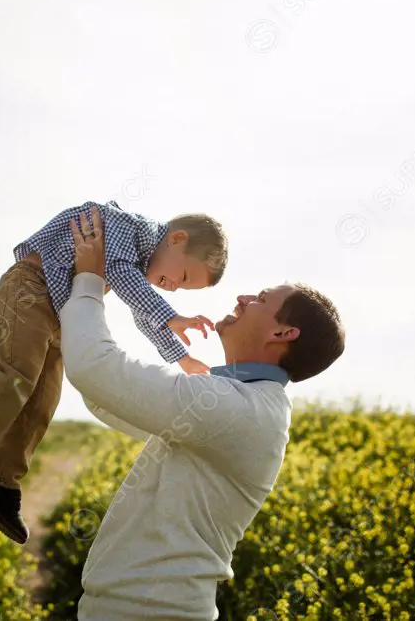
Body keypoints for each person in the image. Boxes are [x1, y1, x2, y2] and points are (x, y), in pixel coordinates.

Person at [61, 207, 345, 621]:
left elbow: (96, 371)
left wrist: (88, 279)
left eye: (261, 300)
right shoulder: (239, 401)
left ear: (282, 334)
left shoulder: (238, 408)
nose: (243, 298)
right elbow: (104, 396)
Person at [0, 200, 229, 544]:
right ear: (177, 239)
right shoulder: (126, 225)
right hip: (30, 291)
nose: (173, 288)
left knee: (44, 401)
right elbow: (121, 275)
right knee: (18, 377)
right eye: (184, 277)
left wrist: (182, 357)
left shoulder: (139, 263)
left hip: (60, 317)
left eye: (182, 288)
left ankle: (2, 481)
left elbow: (138, 307)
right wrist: (171, 315)